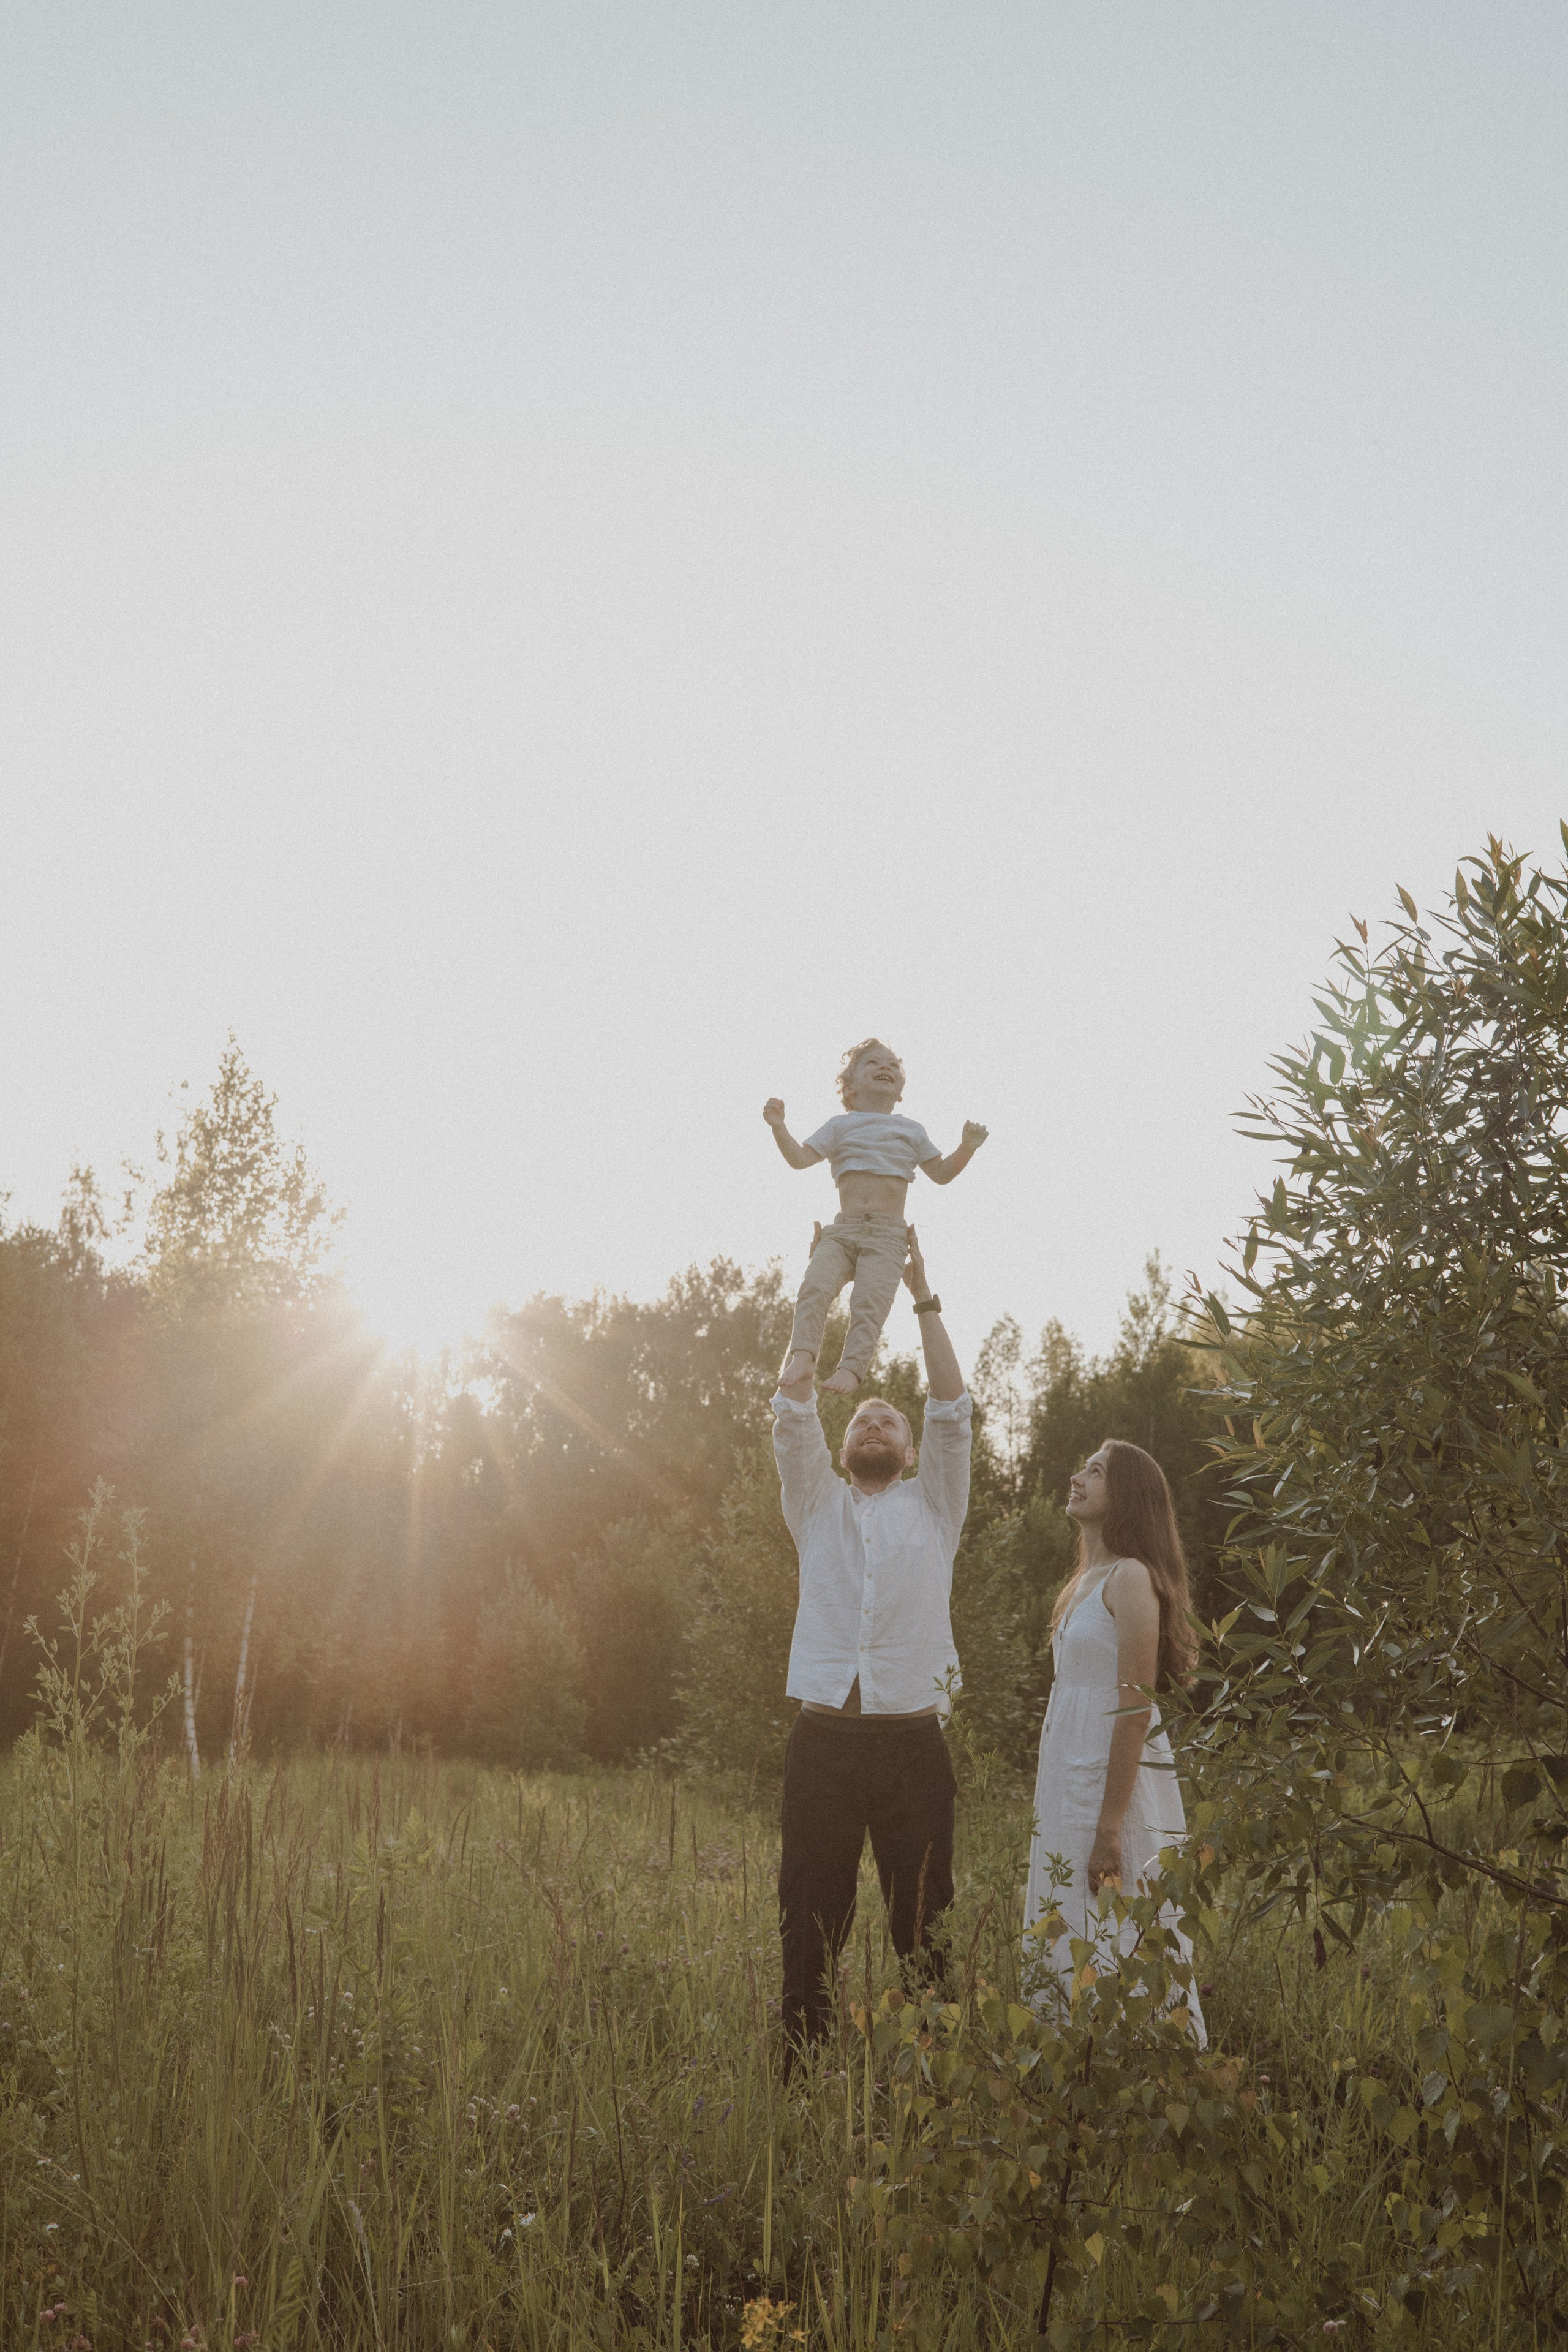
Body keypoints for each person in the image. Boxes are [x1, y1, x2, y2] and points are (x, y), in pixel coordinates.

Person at [771, 1224, 971, 2072]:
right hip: (822, 1746)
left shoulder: (936, 1508)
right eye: (865, 1415)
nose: (878, 1421)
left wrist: (921, 1296)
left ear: (913, 1451)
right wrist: (822, 1287)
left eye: (891, 1418)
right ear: (847, 1448)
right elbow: (791, 1405)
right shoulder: (815, 1503)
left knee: (923, 1929)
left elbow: (954, 1407)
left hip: (913, 1750)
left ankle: (931, 2091)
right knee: (808, 1926)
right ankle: (801, 2082)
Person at [1023, 1439, 1206, 2043]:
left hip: (1113, 1785)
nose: (1076, 1477)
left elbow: (1134, 1706)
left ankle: (1144, 2077)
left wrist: (1109, 1826)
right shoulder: (1082, 1582)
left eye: (1094, 1472)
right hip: (1068, 1775)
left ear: (1123, 1496)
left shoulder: (1130, 1577)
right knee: (1068, 1918)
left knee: (1119, 1924)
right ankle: (1071, 2070)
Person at [764, 1038, 987, 1394]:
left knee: (869, 1303)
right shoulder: (838, 1126)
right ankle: (803, 1355)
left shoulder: (912, 1130)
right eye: (873, 1063)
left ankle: (852, 1369)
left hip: (887, 1235)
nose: (886, 1068)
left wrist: (967, 1148)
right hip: (842, 1230)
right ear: (850, 1089)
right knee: (813, 1288)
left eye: (893, 1066)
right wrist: (779, 1128)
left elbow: (942, 1173)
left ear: (900, 1091)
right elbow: (800, 1159)